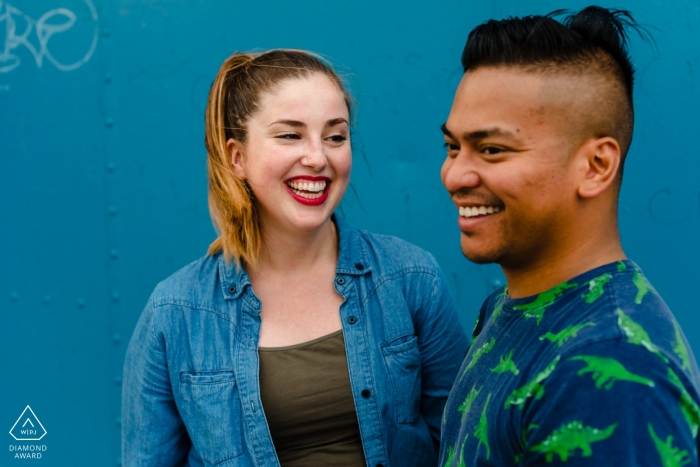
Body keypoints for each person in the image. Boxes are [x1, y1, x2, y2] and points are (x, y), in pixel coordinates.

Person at [121, 49, 469, 467]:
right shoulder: (175, 313)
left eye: (335, 136)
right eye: (290, 135)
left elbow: (460, 443)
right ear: (237, 157)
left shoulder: (411, 277)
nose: (318, 157)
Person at [439, 6, 700, 466]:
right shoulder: (509, 305)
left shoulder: (612, 367)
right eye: (453, 147)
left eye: (492, 150)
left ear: (595, 166)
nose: (455, 175)